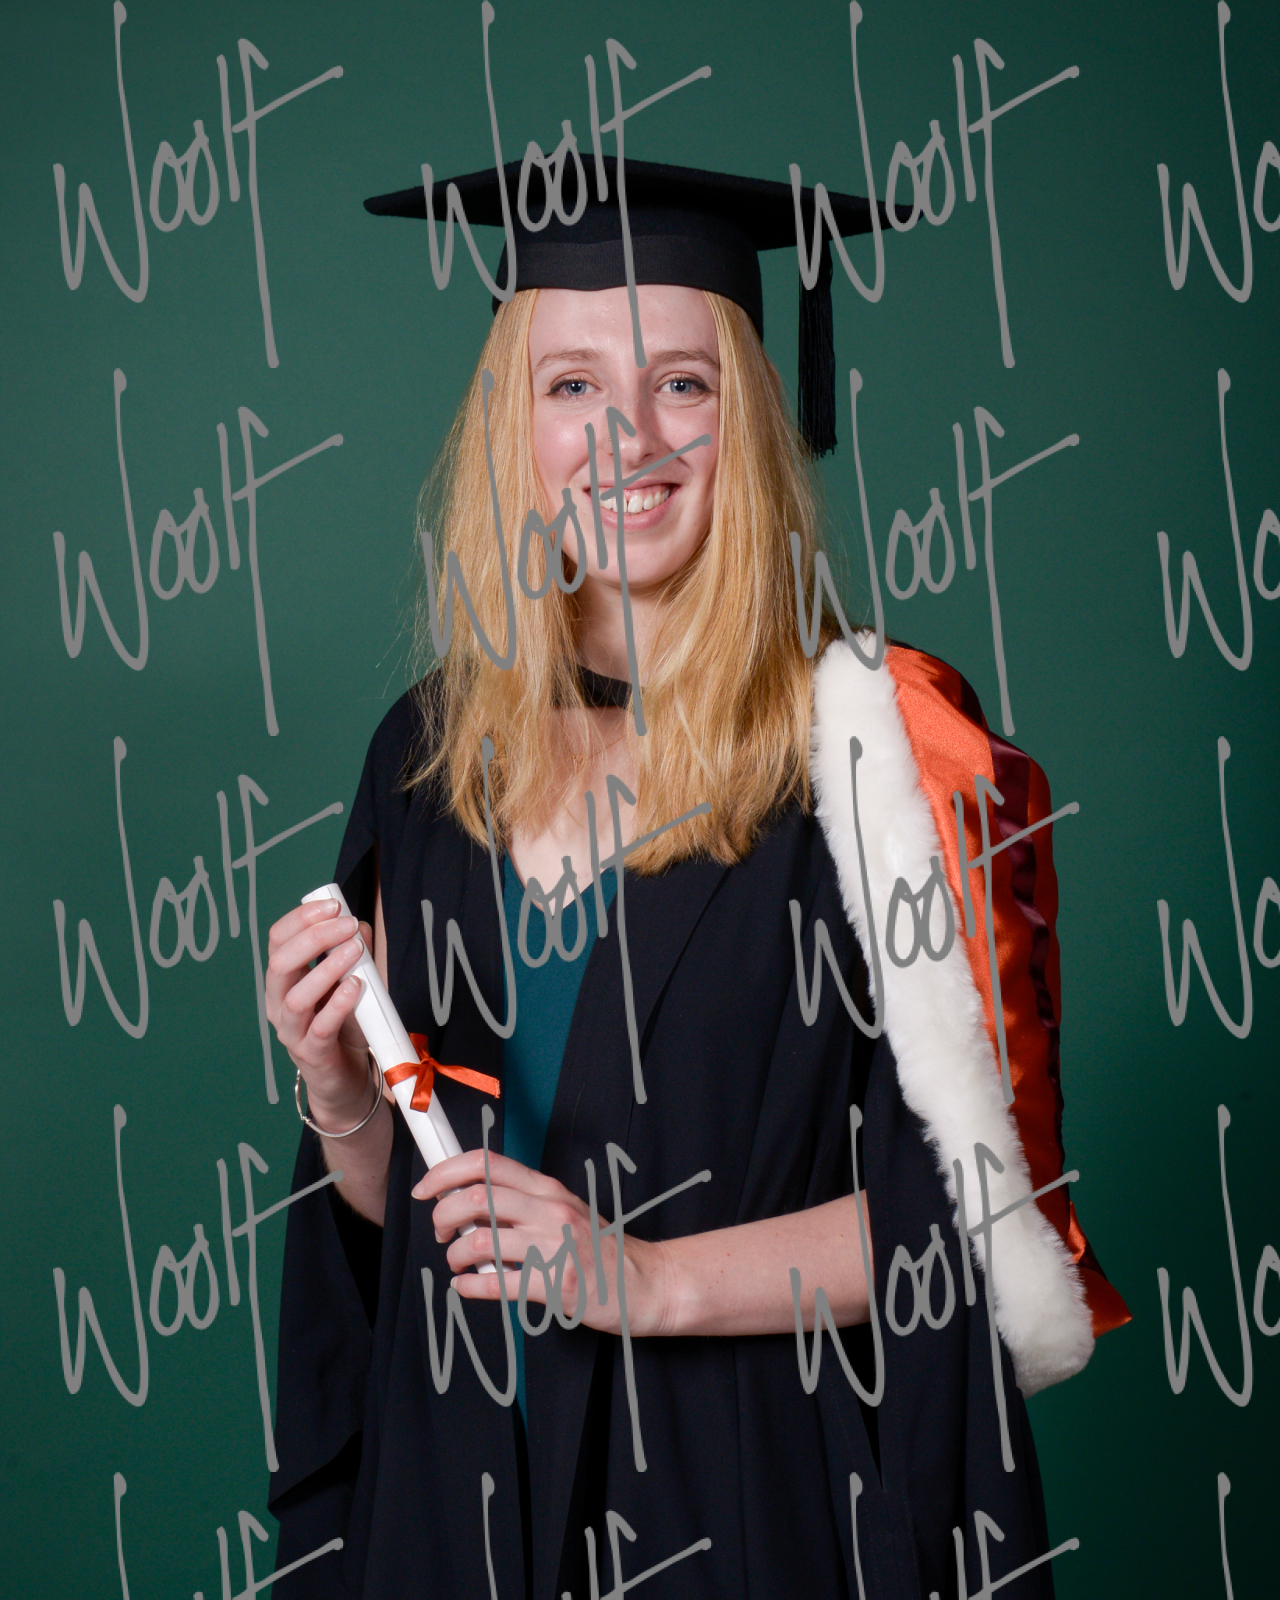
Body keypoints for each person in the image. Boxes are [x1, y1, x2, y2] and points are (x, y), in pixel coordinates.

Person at [265, 159, 1128, 1600]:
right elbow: (404, 1216)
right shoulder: (430, 754)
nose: (630, 436)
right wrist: (342, 1096)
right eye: (573, 386)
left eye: (684, 384)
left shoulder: (880, 750)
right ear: (512, 422)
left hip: (747, 1493)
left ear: (755, 417)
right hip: (461, 1492)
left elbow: (969, 1223)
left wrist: (643, 1278)